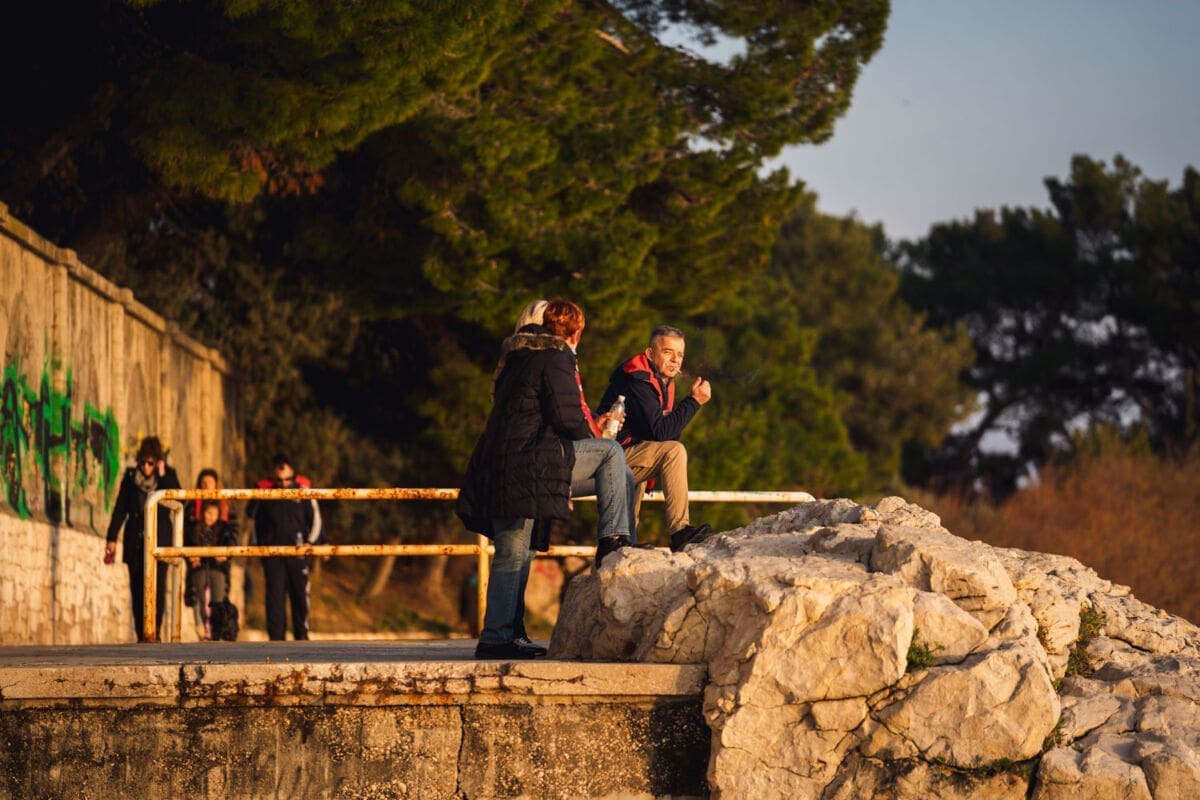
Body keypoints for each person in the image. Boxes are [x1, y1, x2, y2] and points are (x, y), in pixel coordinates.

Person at [458, 299, 644, 660]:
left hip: (504, 466)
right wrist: (594, 435)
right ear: (574, 332)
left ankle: (502, 635)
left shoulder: (515, 359)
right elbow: (566, 417)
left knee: (515, 552)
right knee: (610, 453)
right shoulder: (555, 357)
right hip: (528, 464)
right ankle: (614, 541)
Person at [598, 325, 714, 552]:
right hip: (606, 458)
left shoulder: (661, 381)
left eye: (680, 355)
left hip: (624, 454)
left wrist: (680, 412)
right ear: (650, 354)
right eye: (668, 352)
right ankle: (680, 531)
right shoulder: (637, 381)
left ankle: (623, 544)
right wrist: (693, 402)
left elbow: (666, 433)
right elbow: (661, 433)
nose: (675, 360)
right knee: (673, 451)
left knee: (657, 452)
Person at [104, 436, 182, 642]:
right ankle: (142, 634)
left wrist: (163, 474)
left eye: (151, 463)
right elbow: (120, 509)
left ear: (157, 462)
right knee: (137, 589)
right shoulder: (130, 477)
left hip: (160, 540)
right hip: (135, 542)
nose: (146, 467)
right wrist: (111, 538)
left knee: (158, 588)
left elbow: (178, 498)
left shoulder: (167, 476)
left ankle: (155, 631)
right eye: (143, 462)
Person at [246, 454, 321, 641]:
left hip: (298, 553)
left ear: (293, 474)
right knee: (275, 601)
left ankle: (302, 639)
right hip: (273, 555)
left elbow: (316, 519)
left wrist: (311, 543)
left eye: (288, 479)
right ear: (274, 475)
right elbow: (252, 517)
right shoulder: (265, 491)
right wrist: (258, 547)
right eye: (280, 480)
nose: (284, 484)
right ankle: (276, 643)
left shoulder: (304, 491)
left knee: (300, 598)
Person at [185, 499, 237, 640]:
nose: (210, 517)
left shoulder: (224, 530)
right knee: (200, 599)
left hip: (217, 568)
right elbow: (187, 543)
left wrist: (225, 553)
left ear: (218, 515)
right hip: (199, 568)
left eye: (214, 514)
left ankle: (216, 631)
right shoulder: (194, 529)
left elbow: (231, 543)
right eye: (208, 513)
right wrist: (191, 555)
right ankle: (202, 629)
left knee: (218, 601)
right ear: (203, 513)